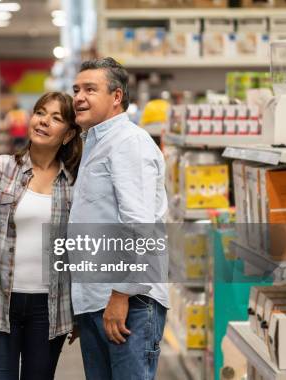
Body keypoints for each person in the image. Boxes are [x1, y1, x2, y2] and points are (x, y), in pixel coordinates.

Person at [0, 92, 83, 380]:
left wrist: (80, 308)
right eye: (40, 112)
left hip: (49, 309)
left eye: (56, 118)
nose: (44, 121)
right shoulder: (3, 167)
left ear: (69, 133)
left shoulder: (75, 183)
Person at [68, 58, 169, 379]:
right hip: (99, 301)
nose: (79, 97)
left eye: (90, 89)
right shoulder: (97, 143)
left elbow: (139, 224)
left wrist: (121, 294)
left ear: (116, 97)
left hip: (129, 302)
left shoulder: (128, 143)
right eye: (76, 90)